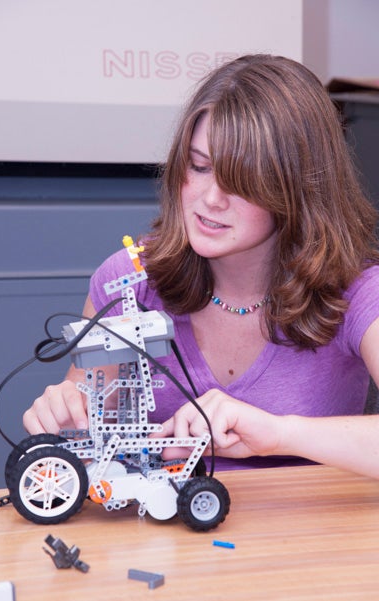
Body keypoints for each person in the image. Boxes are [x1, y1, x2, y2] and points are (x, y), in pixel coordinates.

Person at [23, 54, 379, 479]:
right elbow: (80, 432)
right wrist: (64, 418)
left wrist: (279, 433)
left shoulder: (359, 290)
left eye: (241, 180)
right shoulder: (128, 282)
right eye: (199, 166)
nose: (211, 199)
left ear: (298, 189)